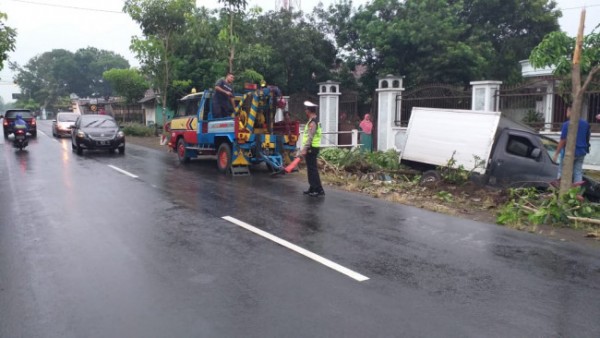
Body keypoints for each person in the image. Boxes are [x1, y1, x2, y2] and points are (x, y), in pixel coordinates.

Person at [552, 106, 591, 183]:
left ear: (571, 111)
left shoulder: (567, 124)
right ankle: (576, 192)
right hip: (582, 152)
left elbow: (563, 140)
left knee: (562, 171)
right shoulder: (585, 124)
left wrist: (556, 154)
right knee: (578, 172)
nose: (566, 113)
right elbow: (587, 137)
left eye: (567, 111)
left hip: (570, 152)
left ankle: (560, 190)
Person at [301, 101, 325, 197]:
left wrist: (305, 149)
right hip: (312, 147)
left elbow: (310, 137)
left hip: (311, 148)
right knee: (311, 169)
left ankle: (317, 189)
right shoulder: (314, 121)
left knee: (312, 169)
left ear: (309, 111)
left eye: (306, 109)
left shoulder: (313, 123)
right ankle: (313, 188)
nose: (305, 111)